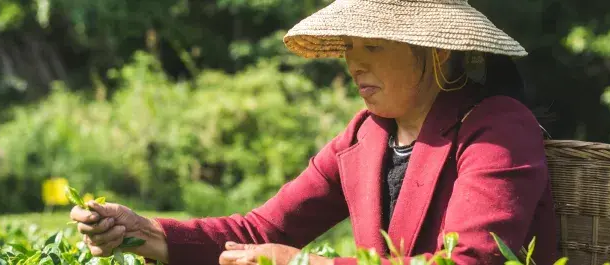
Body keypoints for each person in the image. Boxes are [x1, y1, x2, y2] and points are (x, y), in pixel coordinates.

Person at [69, 0, 559, 264]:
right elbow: (261, 232)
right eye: (349, 45)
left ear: (435, 52)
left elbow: (471, 263)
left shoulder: (497, 127)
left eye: (371, 44)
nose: (353, 63)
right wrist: (145, 233)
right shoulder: (364, 136)